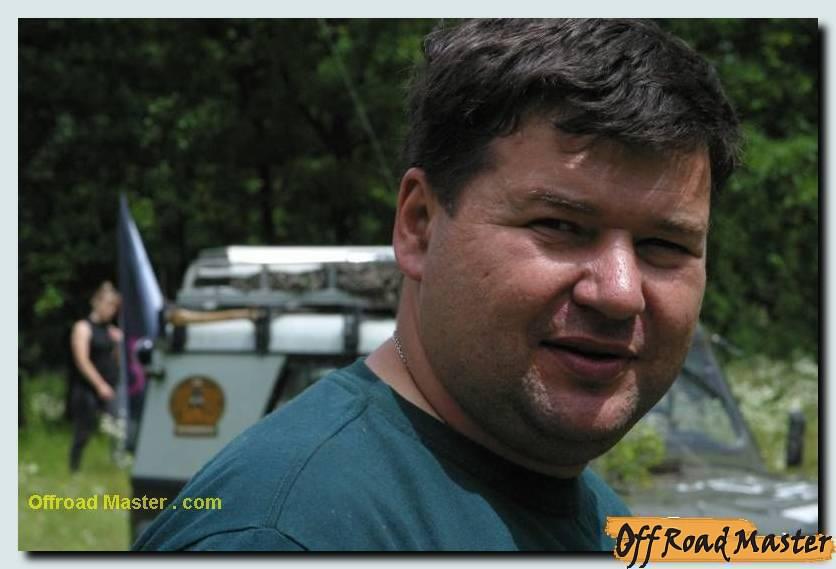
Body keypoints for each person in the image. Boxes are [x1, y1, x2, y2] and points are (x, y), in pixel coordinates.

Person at [134, 19, 739, 551]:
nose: (620, 292)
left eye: (665, 245)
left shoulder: (603, 522)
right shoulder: (288, 535)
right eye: (559, 226)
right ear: (419, 226)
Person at [68, 281, 122, 472]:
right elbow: (82, 360)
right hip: (87, 388)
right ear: (96, 302)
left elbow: (117, 361)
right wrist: (100, 385)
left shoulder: (111, 331)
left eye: (114, 306)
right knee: (84, 430)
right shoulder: (83, 327)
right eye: (108, 304)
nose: (111, 310)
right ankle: (74, 469)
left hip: (111, 386)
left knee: (118, 427)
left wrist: (119, 344)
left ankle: (117, 465)